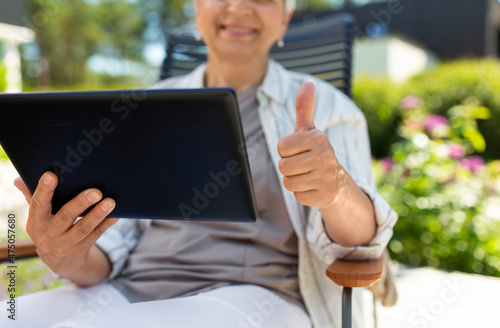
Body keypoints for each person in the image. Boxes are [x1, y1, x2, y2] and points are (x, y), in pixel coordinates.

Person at [3, 0, 397, 327]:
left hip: (260, 297)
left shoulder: (330, 108)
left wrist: (337, 190)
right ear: (197, 11)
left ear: (284, 21)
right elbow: (110, 251)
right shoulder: (145, 104)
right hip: (128, 288)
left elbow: (361, 243)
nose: (238, 7)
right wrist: (67, 255)